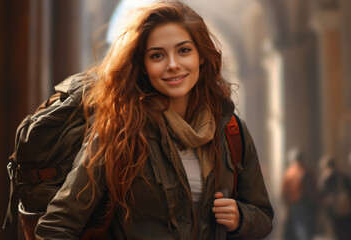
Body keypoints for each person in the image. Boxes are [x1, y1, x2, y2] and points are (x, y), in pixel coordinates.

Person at [35, 1, 273, 239]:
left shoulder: (230, 130)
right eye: (157, 55)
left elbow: (264, 218)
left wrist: (242, 218)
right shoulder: (119, 132)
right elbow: (56, 226)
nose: (172, 65)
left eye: (184, 51)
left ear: (201, 56)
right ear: (144, 66)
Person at [281, 148, 318, 240]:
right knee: (304, 227)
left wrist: (286, 204)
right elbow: (313, 189)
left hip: (294, 204)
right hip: (306, 203)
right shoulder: (307, 171)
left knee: (299, 227)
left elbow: (284, 191)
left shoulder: (289, 173)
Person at [319, 156, 351, 240]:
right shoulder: (343, 176)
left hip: (332, 208)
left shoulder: (326, 178)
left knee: (336, 230)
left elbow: (322, 193)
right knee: (346, 230)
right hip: (345, 207)